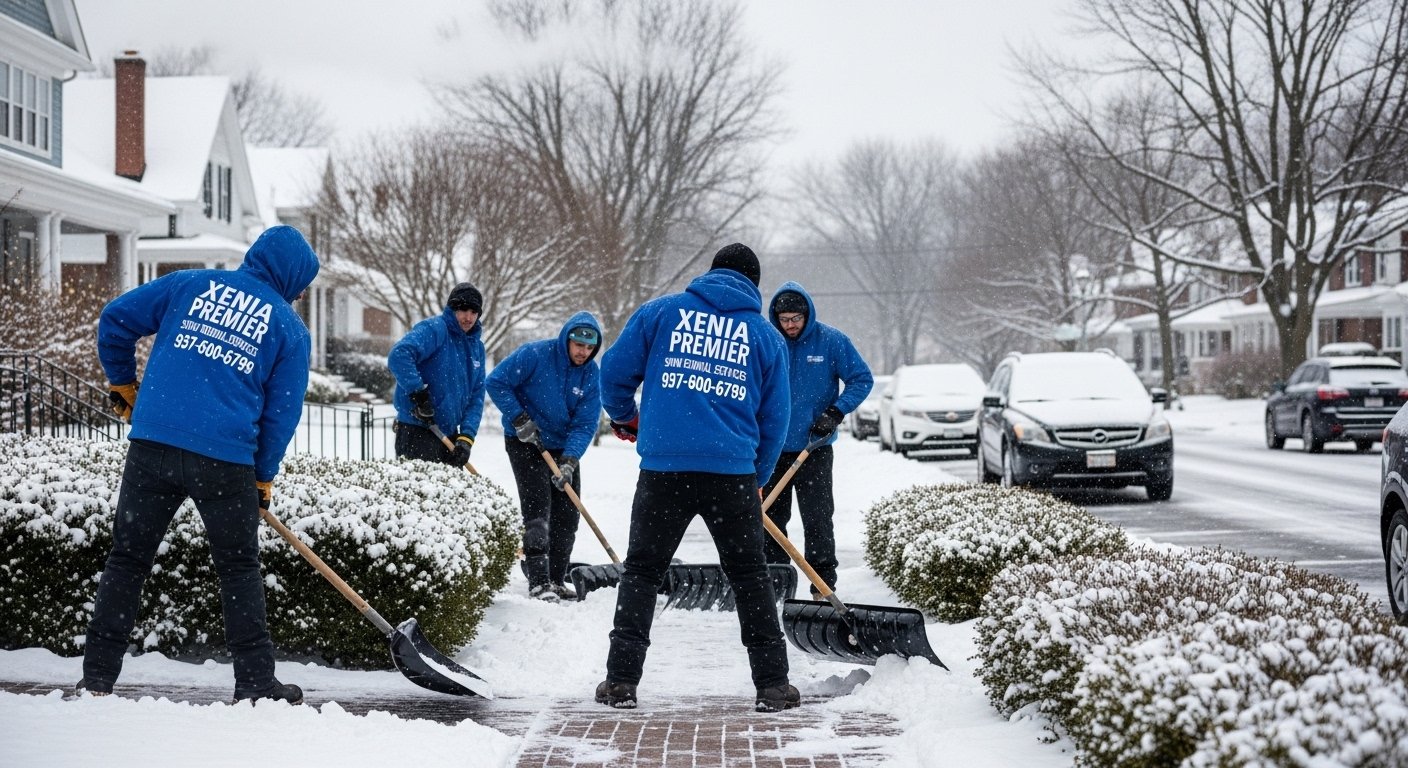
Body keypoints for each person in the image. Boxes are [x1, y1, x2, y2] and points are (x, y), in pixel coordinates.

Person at [80, 225, 319, 704]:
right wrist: (262, 475)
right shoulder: (288, 327)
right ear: (292, 276)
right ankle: (254, 682)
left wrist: (123, 384)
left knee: (127, 560)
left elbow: (115, 318)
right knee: (238, 569)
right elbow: (281, 412)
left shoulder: (190, 284)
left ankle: (97, 680)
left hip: (153, 445)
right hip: (224, 459)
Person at [596, 242, 799, 713]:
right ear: (753, 283)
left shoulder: (661, 313)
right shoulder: (765, 337)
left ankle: (621, 681)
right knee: (749, 575)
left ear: (712, 274)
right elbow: (776, 420)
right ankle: (772, 684)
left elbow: (614, 374)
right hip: (731, 473)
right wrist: (758, 476)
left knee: (643, 571)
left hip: (664, 470)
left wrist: (627, 418)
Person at [762, 282, 873, 599]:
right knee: (769, 519)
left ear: (807, 314)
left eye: (796, 318)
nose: (790, 325)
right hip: (773, 449)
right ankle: (776, 583)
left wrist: (836, 412)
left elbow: (861, 379)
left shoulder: (831, 341)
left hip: (815, 448)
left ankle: (823, 585)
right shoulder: (768, 342)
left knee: (818, 519)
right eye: (784, 319)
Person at [486, 312, 603, 602]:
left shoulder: (590, 374)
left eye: (589, 348)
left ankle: (556, 578)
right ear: (567, 339)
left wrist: (570, 460)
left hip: (562, 446)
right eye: (578, 345)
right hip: (525, 440)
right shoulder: (534, 354)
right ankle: (538, 583)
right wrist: (519, 418)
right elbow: (496, 382)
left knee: (568, 512)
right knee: (538, 508)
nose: (582, 352)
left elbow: (586, 422)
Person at [387, 282, 487, 467]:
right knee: (419, 494)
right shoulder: (435, 329)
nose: (468, 317)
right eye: (463, 309)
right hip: (416, 431)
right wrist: (418, 394)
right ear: (452, 308)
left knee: (452, 495)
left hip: (449, 437)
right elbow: (399, 355)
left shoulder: (477, 348)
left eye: (474, 312)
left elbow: (477, 396)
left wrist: (466, 439)